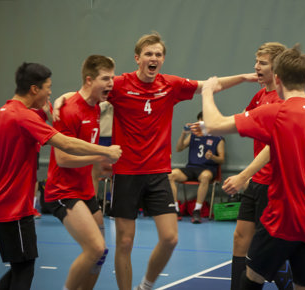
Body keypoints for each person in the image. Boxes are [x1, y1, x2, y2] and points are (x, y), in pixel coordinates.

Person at [54, 32, 256, 290]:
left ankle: (146, 285)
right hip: (126, 173)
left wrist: (244, 78)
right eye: (148, 54)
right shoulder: (120, 84)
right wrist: (65, 96)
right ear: (138, 58)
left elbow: (209, 85)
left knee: (170, 238)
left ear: (163, 59)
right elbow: (91, 88)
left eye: (158, 54)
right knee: (125, 243)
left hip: (159, 173)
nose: (154, 58)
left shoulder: (170, 85)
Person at [197, 44, 305, 290]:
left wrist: (207, 91)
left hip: (282, 220)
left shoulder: (276, 112)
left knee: (252, 279)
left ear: (277, 79)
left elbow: (213, 124)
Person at [0, 62, 121, 290]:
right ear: (34, 89)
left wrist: (64, 98)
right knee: (23, 273)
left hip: (4, 205)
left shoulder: (7, 111)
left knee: (19, 269)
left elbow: (64, 102)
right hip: (13, 207)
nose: (51, 93)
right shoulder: (24, 117)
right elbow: (65, 144)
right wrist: (105, 151)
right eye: (48, 88)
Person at [218, 42, 294, 290]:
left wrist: (243, 175)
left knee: (266, 250)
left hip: (272, 185)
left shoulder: (281, 101)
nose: (256, 67)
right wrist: (208, 127)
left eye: (262, 63)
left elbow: (274, 146)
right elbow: (240, 120)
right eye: (256, 61)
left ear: (277, 68)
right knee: (240, 238)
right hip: (257, 183)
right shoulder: (260, 96)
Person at [44, 55, 116, 290]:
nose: (111, 83)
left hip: (84, 191)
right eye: (105, 79)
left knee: (101, 254)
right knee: (95, 248)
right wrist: (103, 155)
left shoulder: (96, 105)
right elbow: (63, 159)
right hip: (63, 191)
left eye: (112, 78)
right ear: (88, 80)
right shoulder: (69, 110)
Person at [168, 111, 225, 224]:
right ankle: (175, 209)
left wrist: (213, 156)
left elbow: (222, 159)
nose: (201, 123)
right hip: (191, 168)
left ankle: (197, 210)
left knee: (204, 177)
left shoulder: (218, 138)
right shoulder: (193, 135)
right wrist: (184, 134)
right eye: (200, 120)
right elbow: (179, 148)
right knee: (171, 175)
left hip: (207, 169)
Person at [31, 100, 53, 218]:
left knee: (32, 177)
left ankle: (32, 207)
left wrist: (47, 112)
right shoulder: (24, 102)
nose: (48, 92)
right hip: (18, 145)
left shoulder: (45, 104)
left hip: (34, 147)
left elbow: (55, 122)